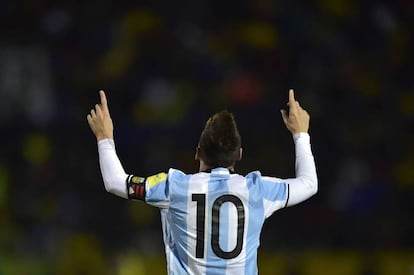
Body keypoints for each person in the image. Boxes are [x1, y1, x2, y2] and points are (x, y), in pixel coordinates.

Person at [87, 89, 317, 275]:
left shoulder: (175, 188)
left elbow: (116, 182)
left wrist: (104, 137)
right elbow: (309, 183)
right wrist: (301, 133)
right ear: (239, 155)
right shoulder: (257, 190)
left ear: (197, 152)